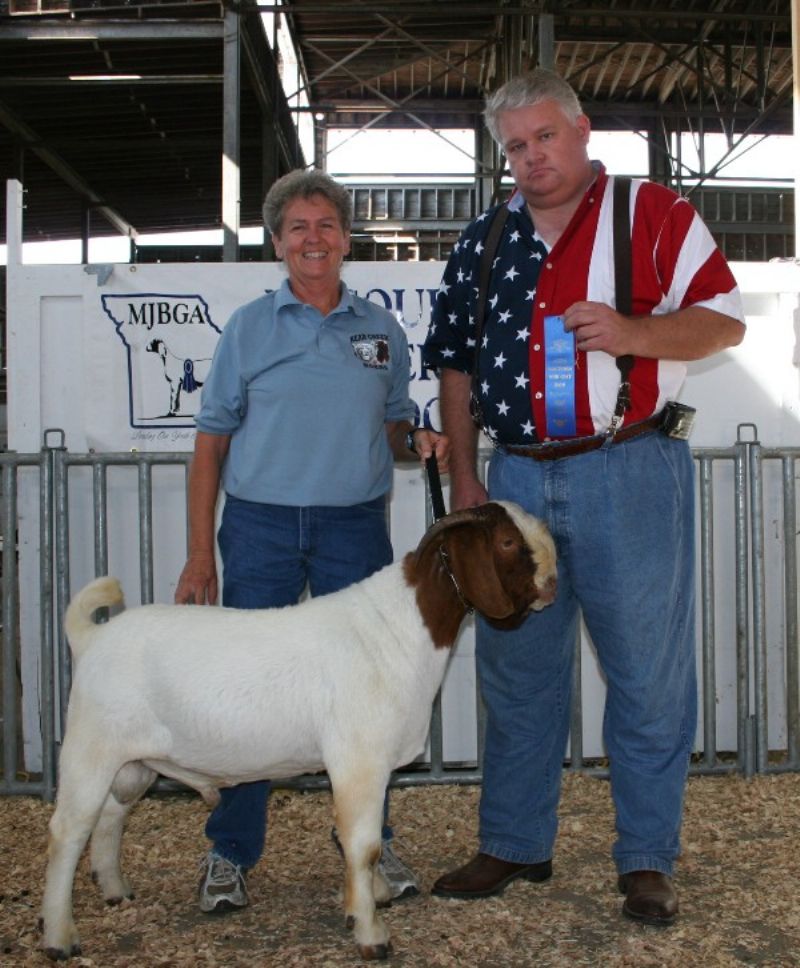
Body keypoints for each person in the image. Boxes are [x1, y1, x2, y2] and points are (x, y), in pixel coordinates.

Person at [422, 68, 745, 925]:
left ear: (582, 129)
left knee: (645, 675)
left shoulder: (655, 213)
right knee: (518, 674)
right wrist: (464, 475)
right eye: (515, 147)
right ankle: (514, 844)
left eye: (544, 138)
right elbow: (453, 362)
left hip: (628, 467)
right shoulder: (485, 238)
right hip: (516, 475)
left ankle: (645, 860)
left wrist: (636, 332)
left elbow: (723, 318)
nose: (531, 158)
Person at [175, 168, 449, 914]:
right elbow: (210, 445)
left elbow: (392, 424)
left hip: (353, 528)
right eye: (298, 227)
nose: (313, 239)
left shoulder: (380, 329)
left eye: (326, 225)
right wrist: (202, 552)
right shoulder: (249, 329)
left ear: (346, 239)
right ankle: (231, 852)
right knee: (248, 696)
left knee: (368, 699)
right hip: (260, 526)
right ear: (277, 243)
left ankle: (369, 845)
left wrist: (415, 437)